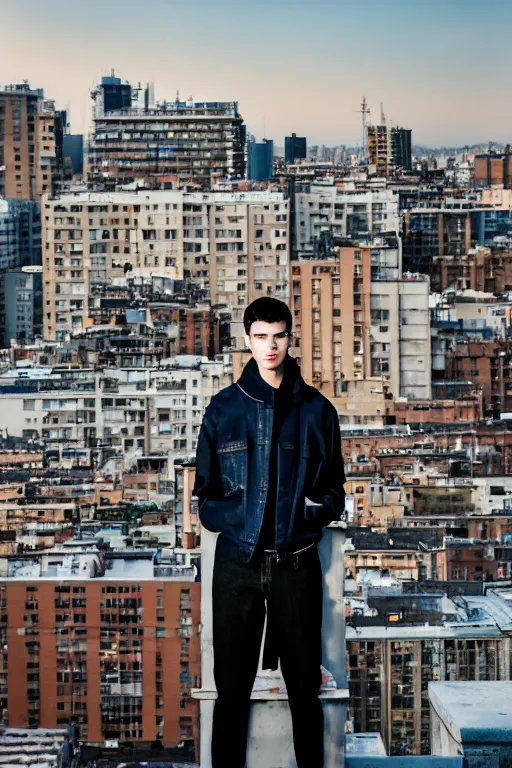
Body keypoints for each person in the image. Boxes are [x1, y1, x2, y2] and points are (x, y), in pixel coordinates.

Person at [193, 297, 346, 767]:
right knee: (230, 692)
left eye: (278, 335)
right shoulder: (223, 411)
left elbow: (335, 493)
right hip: (237, 568)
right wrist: (247, 528)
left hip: (296, 564)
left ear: (290, 337)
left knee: (305, 690)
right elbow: (206, 498)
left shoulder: (319, 411)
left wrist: (302, 519)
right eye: (260, 336)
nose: (270, 345)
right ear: (246, 341)